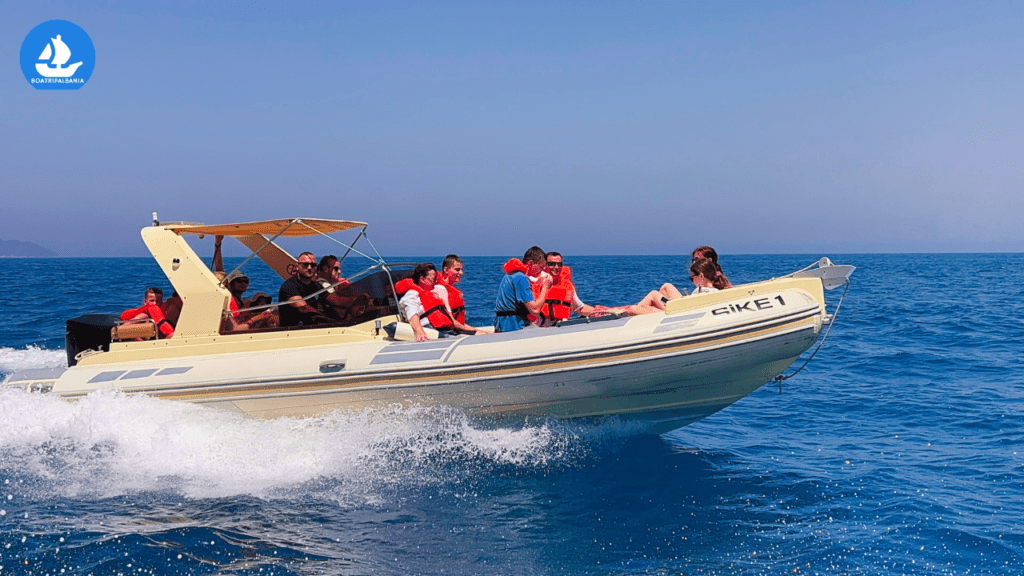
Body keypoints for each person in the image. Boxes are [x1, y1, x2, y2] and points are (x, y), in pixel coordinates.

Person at [396, 263, 485, 341]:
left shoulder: (434, 293)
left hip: (445, 329)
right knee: (466, 338)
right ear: (422, 279)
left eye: (435, 279)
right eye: (432, 279)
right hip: (431, 330)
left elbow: (451, 320)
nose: (435, 282)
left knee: (481, 335)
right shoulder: (412, 295)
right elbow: (413, 316)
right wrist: (420, 332)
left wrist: (476, 330)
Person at [494, 246, 552, 332]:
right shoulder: (521, 278)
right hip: (514, 327)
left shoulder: (510, 275)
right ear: (531, 263)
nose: (542, 270)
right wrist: (545, 287)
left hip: (502, 325)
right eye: (540, 267)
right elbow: (535, 310)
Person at [535, 252, 596, 326]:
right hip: (540, 329)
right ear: (545, 265)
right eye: (552, 264)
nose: (556, 267)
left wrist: (601, 311)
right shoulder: (536, 283)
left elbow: (580, 308)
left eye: (559, 264)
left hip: (561, 327)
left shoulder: (567, 286)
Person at [315, 255, 370, 324]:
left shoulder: (333, 284)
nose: (339, 271)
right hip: (326, 322)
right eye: (336, 269)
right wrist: (358, 299)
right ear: (325, 269)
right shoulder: (322, 284)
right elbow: (337, 301)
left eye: (339, 269)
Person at [278, 251, 325, 328]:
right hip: (292, 332)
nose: (309, 268)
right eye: (305, 264)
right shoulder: (289, 286)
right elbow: (303, 308)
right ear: (297, 266)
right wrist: (327, 318)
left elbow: (332, 299)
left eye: (313, 265)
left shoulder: (317, 286)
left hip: (313, 329)